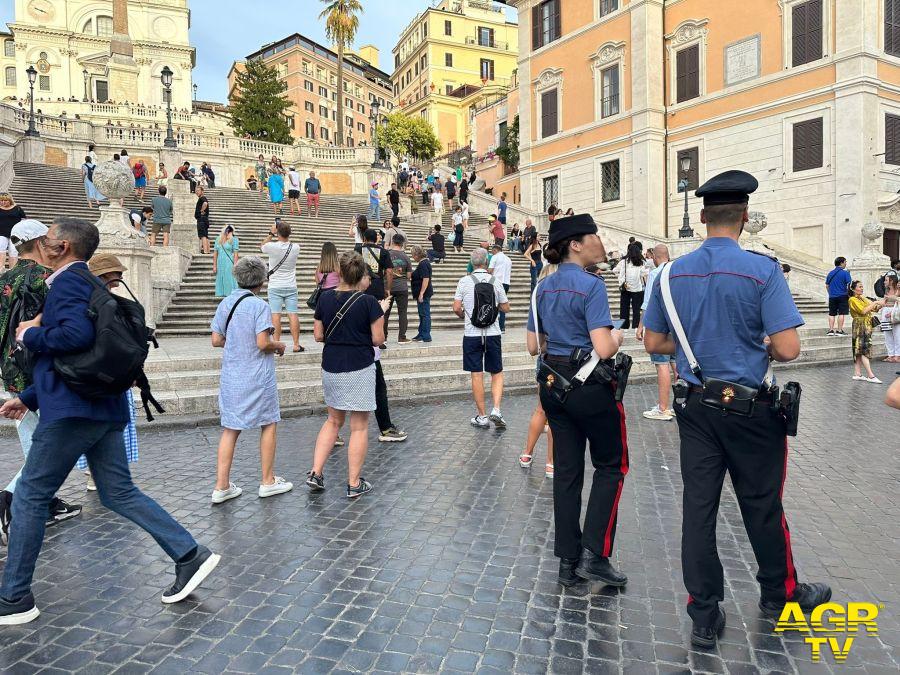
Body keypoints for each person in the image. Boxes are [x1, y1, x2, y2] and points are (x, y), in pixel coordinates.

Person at [642, 170, 831, 649]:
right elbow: (788, 349)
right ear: (744, 218)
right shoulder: (762, 270)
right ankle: (779, 593)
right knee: (763, 505)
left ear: (703, 218)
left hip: (696, 408)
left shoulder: (669, 274)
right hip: (750, 409)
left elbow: (653, 342)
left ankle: (704, 613)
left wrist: (693, 347)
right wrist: (757, 342)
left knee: (698, 510)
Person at [0, 217, 219, 624]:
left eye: (47, 238)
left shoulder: (67, 282)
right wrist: (30, 398)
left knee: (30, 496)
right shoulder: (92, 283)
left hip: (74, 411)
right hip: (104, 405)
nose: (42, 244)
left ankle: (14, 597)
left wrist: (28, 334)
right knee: (117, 492)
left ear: (62, 246)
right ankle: (189, 554)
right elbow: (82, 358)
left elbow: (75, 338)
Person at [525, 213, 628, 594]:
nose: (601, 242)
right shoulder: (591, 286)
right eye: (595, 236)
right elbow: (602, 347)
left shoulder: (542, 288)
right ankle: (595, 555)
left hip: (554, 385)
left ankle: (568, 563)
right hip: (589, 387)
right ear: (576, 244)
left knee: (567, 472)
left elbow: (533, 346)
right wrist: (617, 337)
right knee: (611, 466)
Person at [0, 220, 82, 544]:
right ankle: (7, 498)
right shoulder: (47, 279)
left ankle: (47, 503)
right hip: (41, 372)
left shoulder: (3, 279)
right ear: (37, 243)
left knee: (32, 442)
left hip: (10, 370)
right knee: (50, 447)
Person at [210, 256, 292, 505]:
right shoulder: (260, 306)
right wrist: (277, 345)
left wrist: (235, 342)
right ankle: (267, 480)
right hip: (257, 376)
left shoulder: (226, 303)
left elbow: (216, 339)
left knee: (230, 429)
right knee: (268, 422)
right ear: (261, 281)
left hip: (232, 375)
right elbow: (262, 343)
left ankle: (221, 485)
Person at [307, 252, 388, 498]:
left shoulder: (324, 299)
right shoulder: (369, 302)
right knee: (359, 426)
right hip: (359, 366)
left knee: (333, 421)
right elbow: (378, 339)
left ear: (339, 273)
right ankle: (354, 482)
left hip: (331, 364)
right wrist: (381, 313)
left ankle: (316, 473)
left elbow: (319, 336)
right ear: (360, 276)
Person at [82, 254, 140, 492]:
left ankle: (101, 473)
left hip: (107, 374)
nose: (121, 277)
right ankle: (101, 475)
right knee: (109, 423)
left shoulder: (100, 299)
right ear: (105, 276)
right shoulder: (101, 302)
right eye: (117, 274)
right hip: (106, 375)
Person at [454, 248, 510, 430]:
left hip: (472, 334)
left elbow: (456, 308)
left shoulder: (464, 281)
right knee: (496, 372)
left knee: (476, 374)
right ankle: (497, 409)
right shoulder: (496, 282)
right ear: (486, 262)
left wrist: (465, 315)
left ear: (472, 262)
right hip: (493, 333)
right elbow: (505, 307)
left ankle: (482, 416)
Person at [519, 263, 558, 478]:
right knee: (556, 415)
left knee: (541, 409)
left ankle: (527, 454)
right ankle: (551, 463)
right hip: (566, 362)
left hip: (545, 360)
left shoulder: (538, 299)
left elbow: (533, 347)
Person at [636, 244, 676, 420]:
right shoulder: (676, 270)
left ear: (654, 256)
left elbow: (648, 303)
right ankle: (680, 401)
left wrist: (640, 326)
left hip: (659, 325)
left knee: (662, 365)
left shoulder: (655, 274)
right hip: (676, 325)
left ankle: (663, 407)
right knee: (677, 364)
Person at [261, 220, 303, 353]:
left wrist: (270, 233)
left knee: (275, 315)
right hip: (291, 285)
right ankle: (296, 344)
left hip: (275, 286)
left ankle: (276, 344)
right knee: (293, 314)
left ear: (277, 233)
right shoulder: (296, 247)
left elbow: (262, 246)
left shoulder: (272, 247)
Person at [849, 280, 884, 383]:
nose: (862, 288)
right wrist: (876, 302)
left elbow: (874, 309)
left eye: (862, 286)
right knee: (863, 349)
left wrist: (882, 303)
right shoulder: (852, 299)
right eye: (860, 287)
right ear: (853, 289)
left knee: (859, 350)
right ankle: (870, 375)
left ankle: (857, 373)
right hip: (860, 326)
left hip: (866, 325)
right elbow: (863, 311)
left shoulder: (863, 299)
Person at [385, 234, 411, 344]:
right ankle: (402, 337)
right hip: (402, 288)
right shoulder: (406, 257)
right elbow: (409, 276)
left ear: (392, 241)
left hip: (388, 288)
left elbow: (384, 271)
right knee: (402, 313)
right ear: (402, 243)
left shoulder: (387, 254)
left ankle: (384, 337)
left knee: (385, 312)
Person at [614, 242, 647, 330]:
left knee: (624, 308)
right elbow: (644, 273)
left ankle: (624, 326)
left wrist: (620, 277)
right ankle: (635, 326)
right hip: (638, 288)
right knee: (636, 309)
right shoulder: (641, 262)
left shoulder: (623, 262)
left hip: (625, 288)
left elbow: (614, 270)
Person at [359, 228, 394, 310]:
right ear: (376, 239)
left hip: (361, 285)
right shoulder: (384, 252)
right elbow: (389, 271)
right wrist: (388, 288)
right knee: (377, 312)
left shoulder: (358, 249)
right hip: (377, 285)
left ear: (364, 238)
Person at [410, 245, 433, 342]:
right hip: (423, 293)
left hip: (424, 293)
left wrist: (421, 293)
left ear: (417, 254)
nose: (412, 257)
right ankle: (421, 333)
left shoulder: (423, 264)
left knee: (424, 314)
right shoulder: (423, 263)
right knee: (422, 314)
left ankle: (426, 335)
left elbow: (425, 278)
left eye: (413, 255)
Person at [488, 243, 512, 332]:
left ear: (495, 250)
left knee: (493, 303)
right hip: (506, 283)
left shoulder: (495, 257)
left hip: (496, 283)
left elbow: (490, 270)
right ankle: (502, 327)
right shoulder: (508, 259)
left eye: (492, 252)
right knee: (503, 304)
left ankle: (493, 325)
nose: (492, 253)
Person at [826, 257, 852, 336]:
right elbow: (849, 284)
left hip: (832, 296)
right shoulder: (845, 273)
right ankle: (839, 330)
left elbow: (827, 285)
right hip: (843, 295)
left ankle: (831, 330)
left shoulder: (830, 273)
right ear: (841, 263)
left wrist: (830, 293)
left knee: (831, 313)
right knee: (841, 313)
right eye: (845, 262)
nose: (845, 264)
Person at [0, 193, 25, 271]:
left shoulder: (17, 209)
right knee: (1, 250)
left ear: (10, 200)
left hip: (15, 234)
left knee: (13, 252)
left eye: (5, 200)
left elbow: (24, 221)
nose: (3, 202)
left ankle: (12, 271)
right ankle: (0, 268)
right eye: (1, 200)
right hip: (1, 233)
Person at [213, 225, 240, 298]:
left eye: (231, 232)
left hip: (229, 263)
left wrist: (235, 265)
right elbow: (215, 254)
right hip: (220, 262)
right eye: (228, 232)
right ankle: (221, 293)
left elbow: (236, 254)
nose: (230, 234)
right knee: (220, 277)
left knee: (229, 278)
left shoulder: (234, 240)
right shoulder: (218, 239)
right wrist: (214, 266)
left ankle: (231, 294)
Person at [879, 273, 900, 362]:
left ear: (891, 281)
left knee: (897, 334)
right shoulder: (886, 290)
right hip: (885, 311)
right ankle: (890, 354)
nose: (884, 282)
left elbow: (898, 301)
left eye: (886, 280)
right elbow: (884, 302)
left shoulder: (898, 289)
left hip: (895, 313)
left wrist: (891, 312)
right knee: (887, 334)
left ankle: (897, 355)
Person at [194, 186, 210, 255]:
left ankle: (205, 251)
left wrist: (201, 210)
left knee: (202, 235)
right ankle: (207, 250)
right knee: (205, 235)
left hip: (201, 219)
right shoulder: (202, 198)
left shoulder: (202, 198)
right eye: (196, 190)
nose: (196, 192)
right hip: (204, 219)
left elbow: (205, 203)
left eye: (198, 190)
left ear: (202, 191)